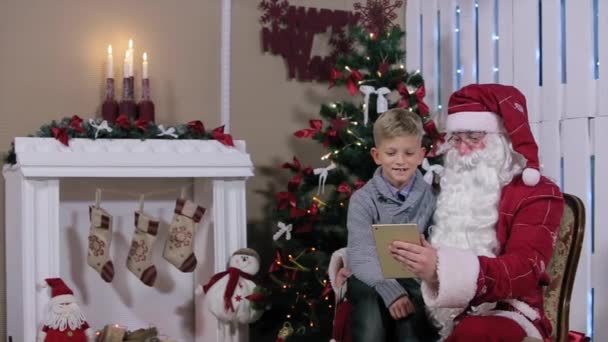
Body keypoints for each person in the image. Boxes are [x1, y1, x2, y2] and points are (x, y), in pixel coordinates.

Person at [389, 84, 564, 341]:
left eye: (473, 137)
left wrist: (441, 269)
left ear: (502, 139)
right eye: (456, 139)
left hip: (507, 308)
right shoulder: (451, 186)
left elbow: (524, 270)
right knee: (374, 301)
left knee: (476, 332)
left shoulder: (537, 193)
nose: (461, 150)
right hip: (440, 305)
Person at [345, 108, 438, 342]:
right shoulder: (362, 200)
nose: (400, 161)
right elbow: (361, 254)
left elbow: (437, 243)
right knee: (370, 324)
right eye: (391, 153)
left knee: (411, 326)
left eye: (409, 153)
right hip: (370, 277)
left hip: (414, 278)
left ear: (421, 155)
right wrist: (389, 290)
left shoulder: (431, 198)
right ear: (377, 156)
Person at [37, 278, 95, 342]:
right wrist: (41, 339)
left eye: (68, 303)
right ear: (55, 305)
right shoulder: (52, 321)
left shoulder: (78, 319)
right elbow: (45, 330)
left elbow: (86, 327)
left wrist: (90, 335)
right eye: (62, 304)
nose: (66, 306)